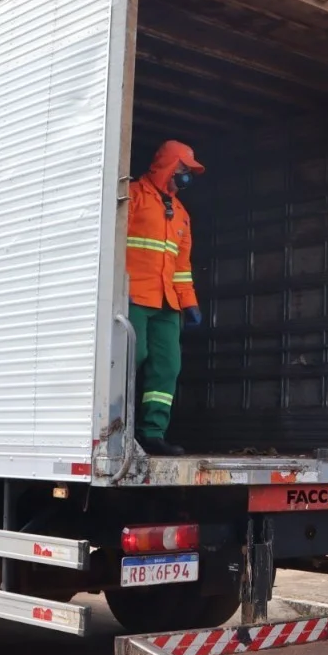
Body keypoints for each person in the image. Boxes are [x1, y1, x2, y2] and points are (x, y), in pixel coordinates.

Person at [126, 140, 204, 457]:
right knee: (134, 358)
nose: (185, 178)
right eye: (183, 170)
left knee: (167, 366)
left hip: (167, 304)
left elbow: (181, 266)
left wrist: (190, 302)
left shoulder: (182, 215)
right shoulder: (131, 196)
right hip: (132, 295)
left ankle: (152, 434)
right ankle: (120, 429)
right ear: (167, 166)